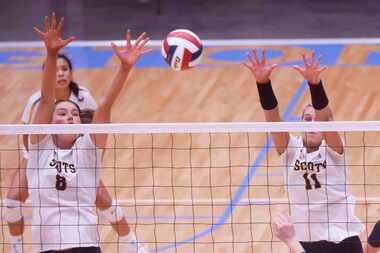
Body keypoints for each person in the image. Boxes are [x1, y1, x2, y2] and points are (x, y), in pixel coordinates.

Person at [7, 13, 151, 253]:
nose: (70, 117)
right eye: (61, 113)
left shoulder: (88, 151)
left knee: (103, 197)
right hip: (47, 248)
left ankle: (133, 245)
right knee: (12, 199)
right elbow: (45, 101)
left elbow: (104, 106)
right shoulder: (40, 148)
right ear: (49, 123)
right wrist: (51, 54)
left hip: (85, 246)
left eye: (74, 114)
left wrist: (124, 68)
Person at [244, 49, 364, 253]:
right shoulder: (290, 150)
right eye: (307, 119)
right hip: (306, 239)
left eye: (316, 119)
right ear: (300, 123)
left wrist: (315, 84)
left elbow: (325, 118)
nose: (313, 123)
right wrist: (263, 84)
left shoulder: (333, 149)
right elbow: (273, 120)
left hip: (342, 238)